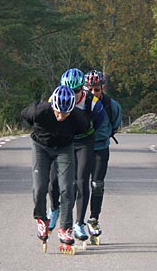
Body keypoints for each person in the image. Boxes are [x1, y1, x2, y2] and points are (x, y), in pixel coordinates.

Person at [21, 85, 89, 254]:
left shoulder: (78, 119)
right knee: (40, 187)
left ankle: (65, 228)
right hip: (40, 147)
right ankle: (41, 219)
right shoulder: (39, 111)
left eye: (64, 113)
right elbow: (24, 116)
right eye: (57, 112)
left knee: (67, 187)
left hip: (64, 149)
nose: (60, 117)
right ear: (52, 107)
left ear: (72, 109)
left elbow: (85, 132)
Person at [47, 68, 106, 243]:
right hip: (63, 141)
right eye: (68, 90)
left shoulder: (92, 102)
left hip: (84, 142)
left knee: (81, 182)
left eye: (76, 91)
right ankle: (54, 208)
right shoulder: (55, 98)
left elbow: (99, 121)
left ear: (83, 89)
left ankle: (79, 222)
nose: (72, 94)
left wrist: (84, 131)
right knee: (53, 180)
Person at [84, 70, 122, 245]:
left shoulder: (111, 105)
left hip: (100, 148)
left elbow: (114, 125)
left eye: (96, 90)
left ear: (103, 88)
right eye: (89, 89)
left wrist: (103, 136)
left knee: (97, 185)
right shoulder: (80, 104)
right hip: (81, 148)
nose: (93, 93)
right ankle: (75, 222)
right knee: (78, 185)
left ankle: (93, 219)